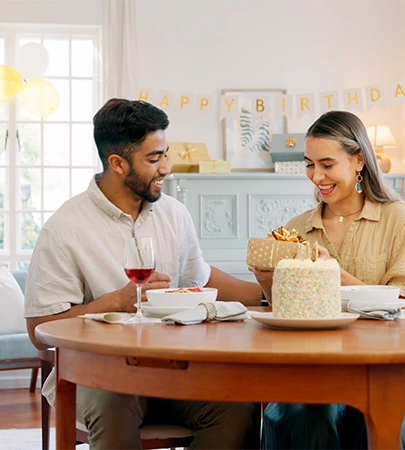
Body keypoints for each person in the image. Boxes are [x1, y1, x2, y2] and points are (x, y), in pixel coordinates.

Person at [25, 98, 263, 449]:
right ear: (117, 163)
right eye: (154, 159)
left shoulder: (175, 214)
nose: (166, 168)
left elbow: (201, 279)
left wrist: (268, 291)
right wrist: (116, 302)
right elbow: (39, 328)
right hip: (95, 375)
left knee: (238, 406)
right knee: (114, 402)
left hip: (174, 370)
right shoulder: (64, 229)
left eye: (165, 154)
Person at [250, 110, 405, 449]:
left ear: (359, 161)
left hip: (386, 369)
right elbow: (290, 310)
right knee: (300, 415)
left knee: (400, 416)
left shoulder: (399, 219)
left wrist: (331, 274)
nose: (316, 176)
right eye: (309, 164)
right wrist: (268, 282)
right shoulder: (296, 228)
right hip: (313, 371)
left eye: (326, 164)